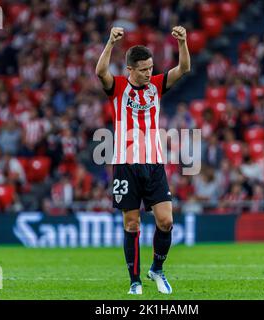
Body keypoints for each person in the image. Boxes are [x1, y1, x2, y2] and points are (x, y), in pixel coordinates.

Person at [95, 25, 190, 295]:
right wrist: (110, 43)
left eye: (151, 68)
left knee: (166, 221)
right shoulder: (118, 87)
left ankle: (157, 270)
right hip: (125, 164)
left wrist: (183, 42)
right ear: (131, 70)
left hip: (154, 163)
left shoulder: (157, 86)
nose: (149, 72)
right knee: (132, 223)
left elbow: (183, 69)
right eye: (144, 69)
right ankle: (134, 281)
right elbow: (100, 72)